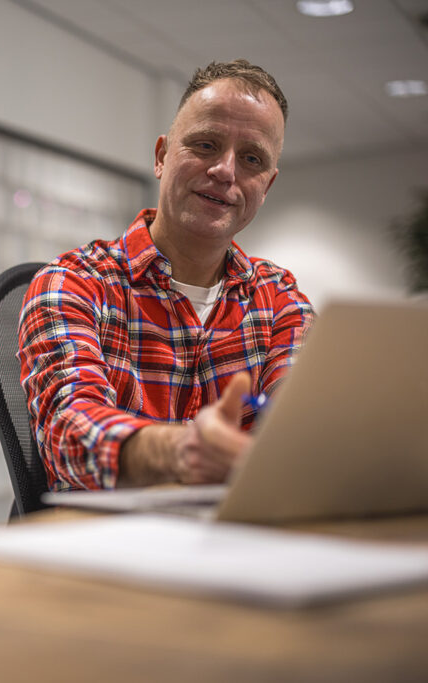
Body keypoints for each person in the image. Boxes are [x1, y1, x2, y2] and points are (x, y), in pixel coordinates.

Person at [19, 59, 315, 492]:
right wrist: (180, 452)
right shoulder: (74, 283)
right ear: (161, 157)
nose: (225, 171)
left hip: (239, 531)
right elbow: (70, 432)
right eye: (206, 145)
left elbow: (305, 426)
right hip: (105, 532)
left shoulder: (279, 298)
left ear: (266, 187)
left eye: (251, 158)